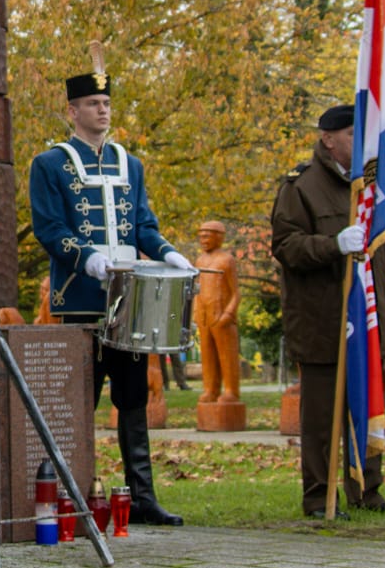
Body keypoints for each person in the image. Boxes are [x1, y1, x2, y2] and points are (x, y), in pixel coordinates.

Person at [29, 66, 191, 526]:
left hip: (130, 301)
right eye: (94, 104)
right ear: (73, 111)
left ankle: (141, 498)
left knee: (134, 398)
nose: (103, 110)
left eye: (107, 104)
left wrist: (167, 251)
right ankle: (75, 498)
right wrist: (86, 257)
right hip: (79, 299)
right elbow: (49, 228)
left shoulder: (130, 164)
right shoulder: (49, 164)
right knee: (80, 400)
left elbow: (143, 225)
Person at [271, 104, 385, 517]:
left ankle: (368, 491)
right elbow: (286, 246)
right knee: (322, 418)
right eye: (351, 135)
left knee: (367, 409)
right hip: (320, 320)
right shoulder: (301, 186)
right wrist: (331, 245)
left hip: (365, 319)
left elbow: (378, 260)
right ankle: (318, 497)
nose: (359, 144)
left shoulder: (369, 189)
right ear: (328, 139)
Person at [192, 221, 241, 404]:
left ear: (218, 237)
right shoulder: (200, 260)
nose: (202, 240)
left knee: (227, 355)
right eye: (201, 236)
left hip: (222, 316)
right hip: (204, 316)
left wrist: (229, 313)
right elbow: (198, 288)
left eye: (207, 236)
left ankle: (231, 390)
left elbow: (236, 292)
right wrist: (196, 310)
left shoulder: (226, 260)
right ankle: (211, 389)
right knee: (207, 355)